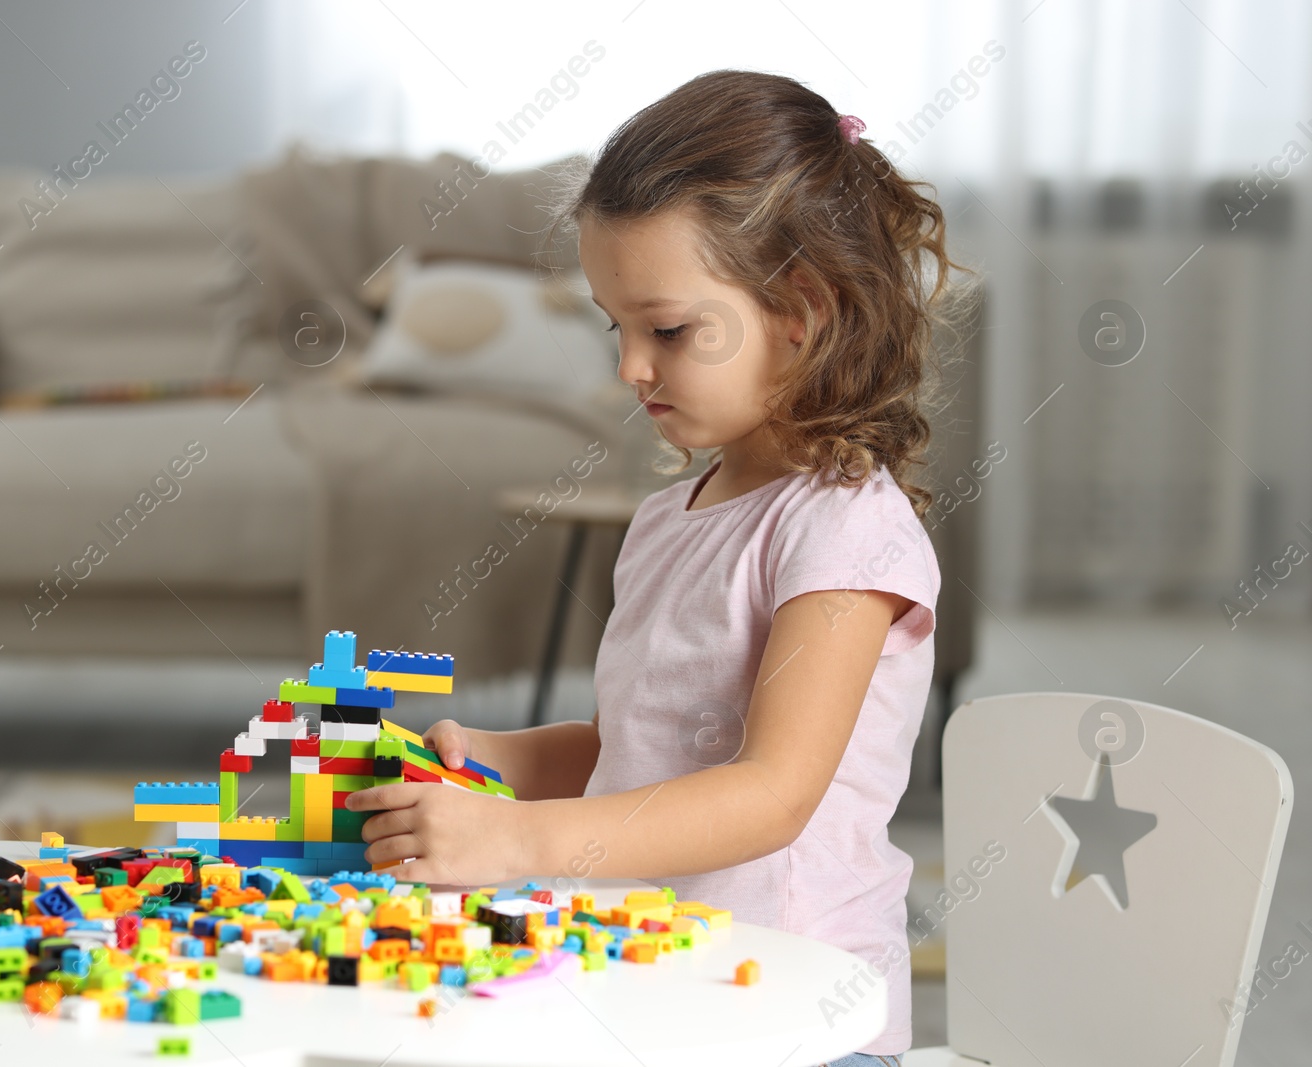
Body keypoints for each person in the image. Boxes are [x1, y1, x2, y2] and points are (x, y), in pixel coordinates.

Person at [347, 68, 973, 1063]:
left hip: (788, 1012)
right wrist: (495, 761)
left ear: (799, 311)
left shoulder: (843, 528)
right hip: (653, 984)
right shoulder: (667, 516)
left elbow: (771, 793)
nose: (630, 367)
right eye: (617, 327)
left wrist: (521, 843)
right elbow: (640, 744)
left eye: (667, 329)